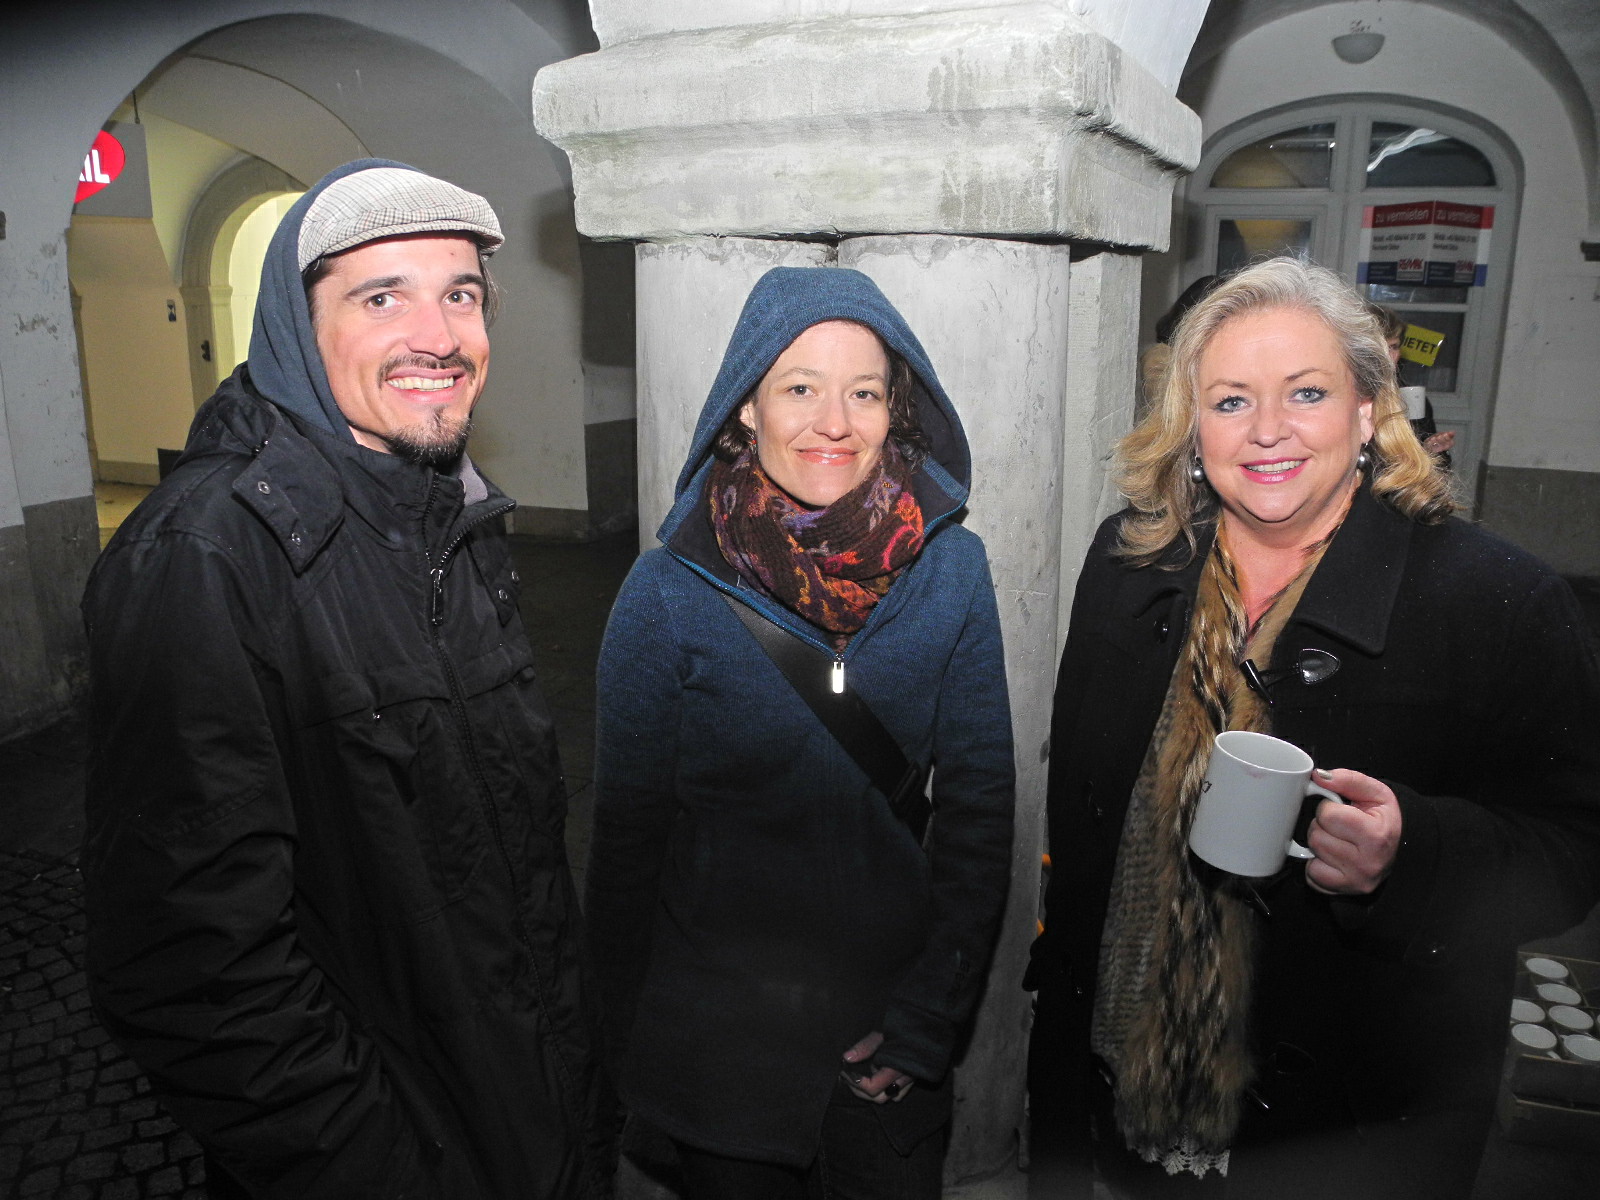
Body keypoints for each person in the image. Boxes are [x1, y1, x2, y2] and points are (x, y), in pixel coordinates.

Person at [81, 160, 610, 1200]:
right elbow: (195, 976)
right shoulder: (202, 558)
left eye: (461, 294)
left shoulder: (449, 518)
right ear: (296, 324)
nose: (438, 335)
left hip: (521, 1110)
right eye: (381, 299)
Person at [1027, 257, 1600, 1198]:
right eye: (1230, 401)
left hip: (1347, 1127)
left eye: (1306, 392)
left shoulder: (1498, 601)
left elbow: (1574, 844)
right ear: (1191, 423)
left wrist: (1411, 852)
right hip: (1113, 1073)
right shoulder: (1131, 563)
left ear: (1368, 410)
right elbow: (1082, 828)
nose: (1267, 431)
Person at [587, 267, 1015, 1198]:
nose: (835, 422)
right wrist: (616, 1053)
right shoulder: (665, 594)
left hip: (886, 1037)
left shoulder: (953, 570)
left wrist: (927, 1021)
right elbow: (626, 845)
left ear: (895, 409)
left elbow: (980, 815)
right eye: (800, 388)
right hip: (720, 1055)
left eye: (864, 392)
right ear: (746, 408)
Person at [1368, 302, 1455, 464]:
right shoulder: (1342, 393)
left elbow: (1421, 464)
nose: (1389, 357)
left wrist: (1430, 451)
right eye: (1381, 348)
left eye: (1393, 347)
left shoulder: (1409, 396)